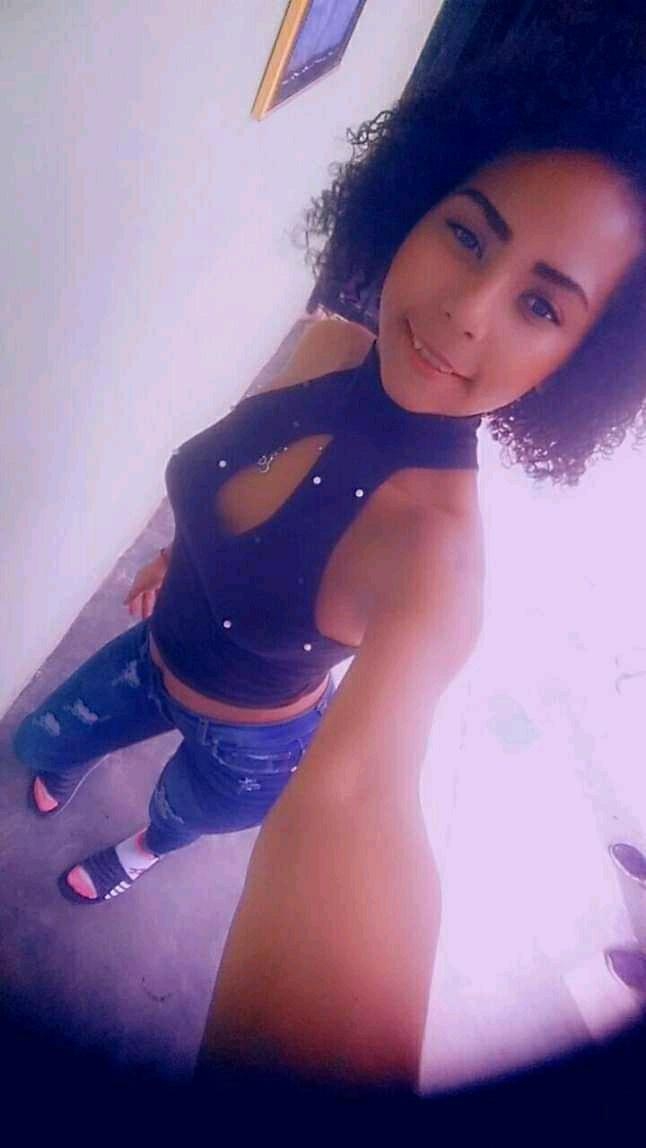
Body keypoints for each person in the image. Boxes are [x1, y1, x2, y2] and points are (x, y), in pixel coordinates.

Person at [12, 50, 646, 1086]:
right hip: (150, 648)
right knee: (41, 739)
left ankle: (137, 855)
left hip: (248, 746)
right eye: (467, 234)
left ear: (576, 366)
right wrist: (177, 552)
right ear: (414, 203)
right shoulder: (325, 348)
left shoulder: (437, 561)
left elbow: (356, 802)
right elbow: (223, 487)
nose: (468, 308)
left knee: (173, 818)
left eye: (542, 307)